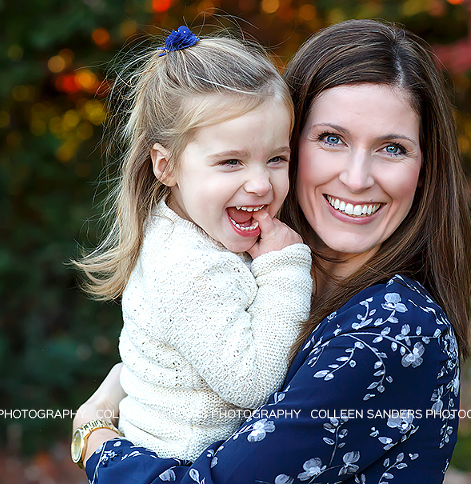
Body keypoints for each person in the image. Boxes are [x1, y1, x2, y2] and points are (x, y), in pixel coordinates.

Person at [73, 19, 471, 484]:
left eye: (392, 148)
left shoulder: (391, 330)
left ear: (425, 168)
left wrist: (95, 438)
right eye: (332, 139)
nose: (358, 177)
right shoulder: (230, 260)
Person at [71, 26, 313, 464]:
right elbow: (254, 383)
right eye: (231, 162)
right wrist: (286, 269)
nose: (261, 183)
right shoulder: (188, 267)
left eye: (276, 158)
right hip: (177, 465)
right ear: (167, 166)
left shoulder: (195, 228)